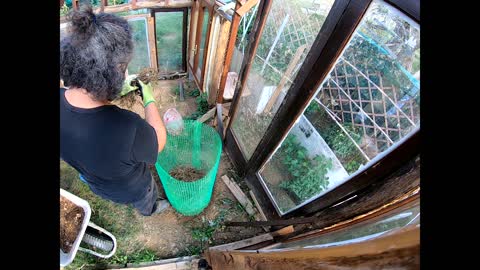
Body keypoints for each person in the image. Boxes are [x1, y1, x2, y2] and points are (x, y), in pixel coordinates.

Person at [60, 5, 169, 216]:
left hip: (95, 181)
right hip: (133, 189)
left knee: (102, 185)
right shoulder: (129, 127)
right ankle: (150, 208)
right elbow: (159, 142)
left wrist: (105, 94)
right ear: (113, 73)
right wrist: (149, 98)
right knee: (146, 199)